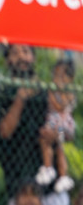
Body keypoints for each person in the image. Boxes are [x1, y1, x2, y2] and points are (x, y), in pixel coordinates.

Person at [0, 44, 47, 200]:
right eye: (15, 53)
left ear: (33, 57)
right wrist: (20, 98)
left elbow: (63, 129)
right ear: (7, 60)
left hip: (47, 177)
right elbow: (4, 131)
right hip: (16, 177)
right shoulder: (2, 91)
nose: (21, 57)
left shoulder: (44, 90)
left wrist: (59, 133)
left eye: (25, 51)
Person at [36, 57, 75, 194]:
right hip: (53, 121)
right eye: (55, 75)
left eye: (61, 76)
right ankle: (48, 167)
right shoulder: (54, 90)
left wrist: (53, 93)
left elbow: (59, 106)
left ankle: (63, 174)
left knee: (59, 147)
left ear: (69, 78)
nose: (57, 79)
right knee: (46, 142)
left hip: (61, 122)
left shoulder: (69, 92)